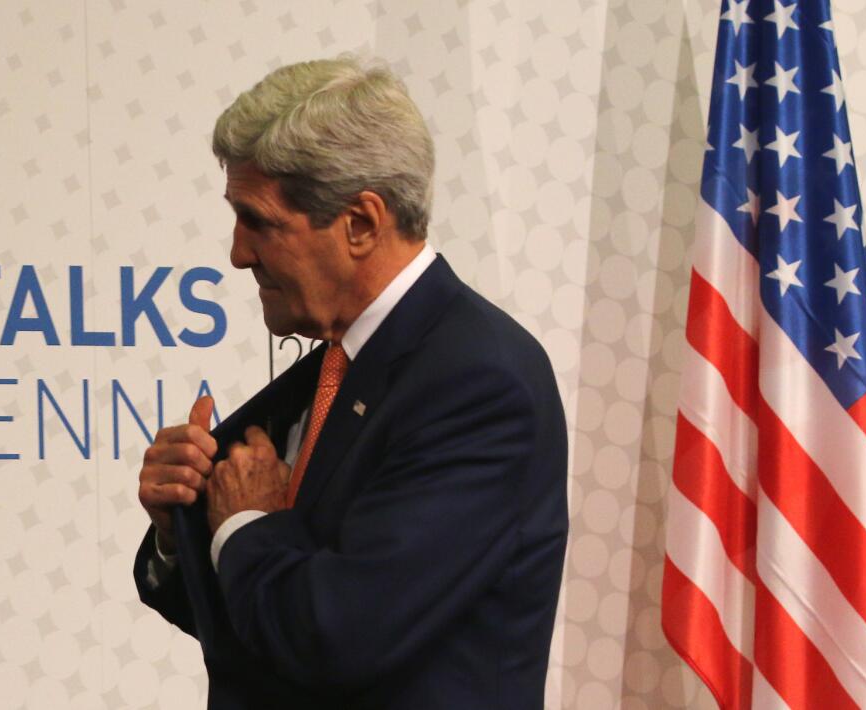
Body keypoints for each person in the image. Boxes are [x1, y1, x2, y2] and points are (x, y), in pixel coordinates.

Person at [132, 55, 568, 709]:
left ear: (361, 223)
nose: (238, 252)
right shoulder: (341, 367)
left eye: (260, 222)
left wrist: (242, 521)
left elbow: (336, 636)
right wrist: (183, 529)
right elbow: (260, 627)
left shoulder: (479, 383)